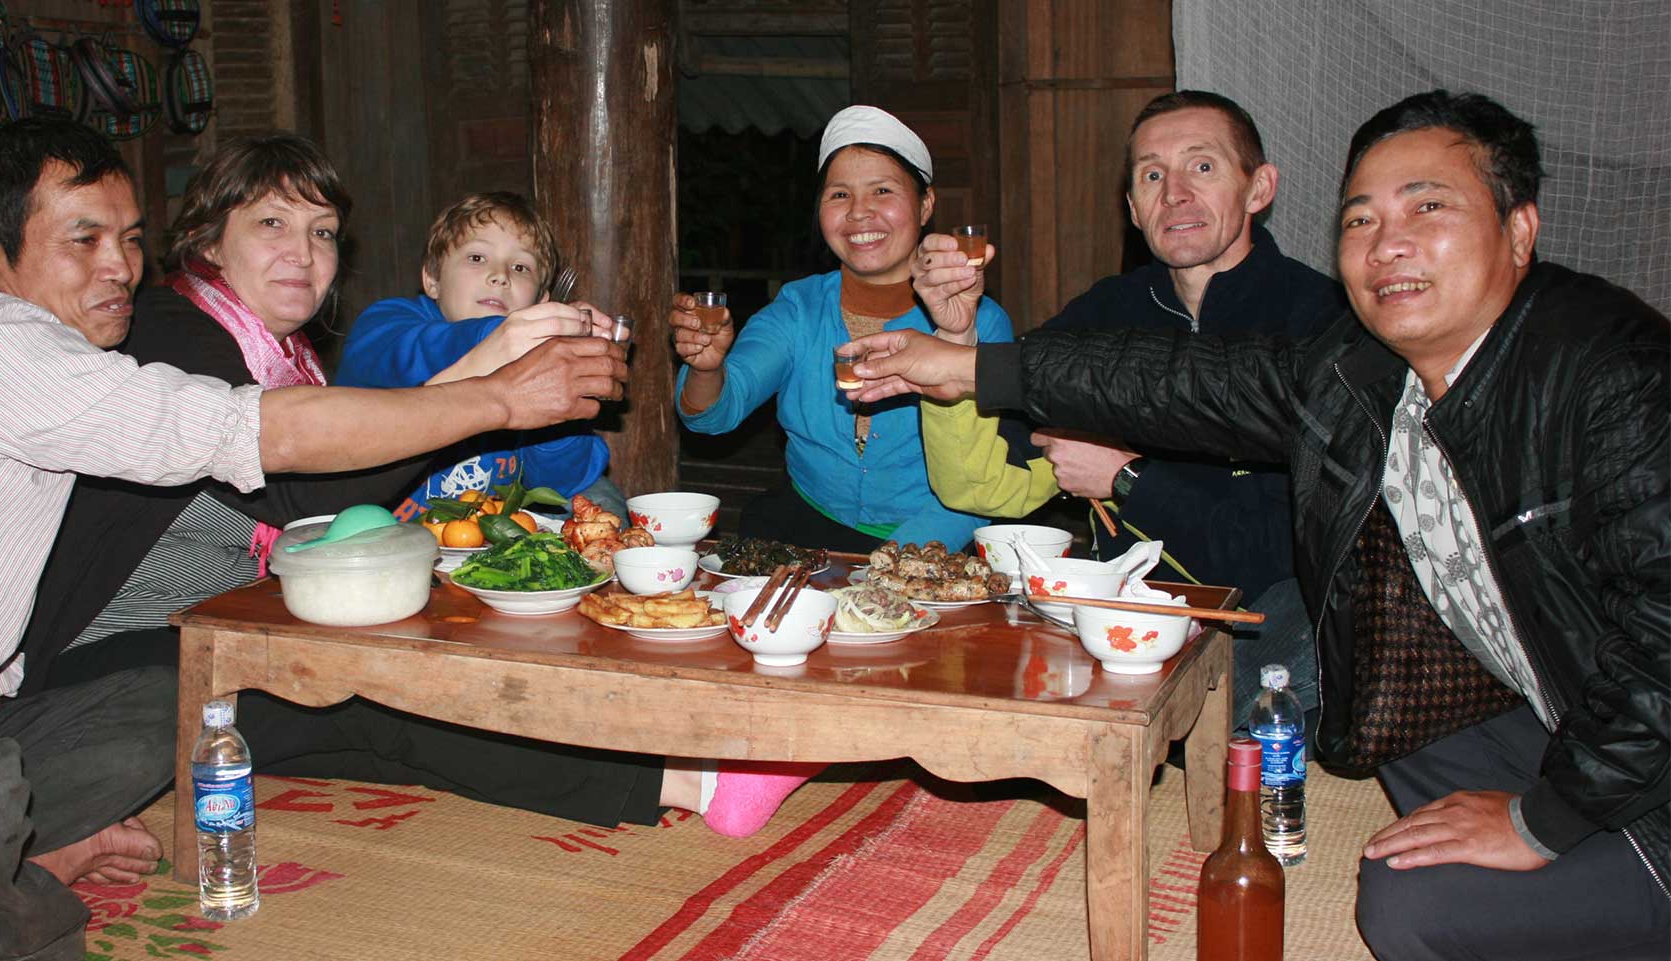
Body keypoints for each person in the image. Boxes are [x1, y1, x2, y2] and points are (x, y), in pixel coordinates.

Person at [0, 117, 627, 961]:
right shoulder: (2, 342)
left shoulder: (100, 364)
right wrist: (499, 394)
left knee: (182, 702)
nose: (118, 267)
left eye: (128, 238)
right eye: (83, 239)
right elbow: (271, 450)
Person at [845, 90, 1668, 959]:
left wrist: (1546, 819)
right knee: (1390, 728)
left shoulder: (1610, 372)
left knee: (1402, 900)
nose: (1388, 243)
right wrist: (965, 355)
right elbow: (1173, 383)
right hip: (1542, 688)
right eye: (1361, 218)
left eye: (1428, 207)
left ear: (1519, 231)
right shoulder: (1362, 365)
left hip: (1611, 724)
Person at [15, 134, 816, 844]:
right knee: (378, 693)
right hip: (112, 662)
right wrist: (495, 367)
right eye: (272, 224)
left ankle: (673, 761)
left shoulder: (288, 365)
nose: (303, 251)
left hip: (216, 627)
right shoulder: (168, 329)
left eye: (322, 232)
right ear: (209, 244)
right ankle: (699, 781)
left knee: (384, 721)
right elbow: (293, 499)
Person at [919, 90, 1342, 729]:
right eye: (1152, 175)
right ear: (1133, 209)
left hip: (1271, 608)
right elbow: (982, 485)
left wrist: (1127, 478)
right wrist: (957, 339)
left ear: (1259, 189)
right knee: (953, 679)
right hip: (1127, 605)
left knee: (1252, 703)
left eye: (1202, 167)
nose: (1174, 192)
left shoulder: (1318, 318)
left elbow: (1279, 552)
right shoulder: (1110, 312)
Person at [671, 104, 1013, 553]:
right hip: (806, 527)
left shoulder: (980, 322)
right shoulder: (798, 308)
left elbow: (983, 475)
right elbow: (714, 416)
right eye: (839, 195)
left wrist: (890, 566)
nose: (859, 213)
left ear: (925, 203)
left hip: (933, 542)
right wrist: (706, 368)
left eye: (883, 191)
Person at [336, 191, 626, 519]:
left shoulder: (537, 365)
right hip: (385, 534)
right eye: (477, 258)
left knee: (603, 499)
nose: (500, 275)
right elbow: (412, 356)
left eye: (520, 267)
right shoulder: (387, 322)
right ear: (432, 279)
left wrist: (563, 402)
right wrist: (501, 337)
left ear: (540, 302)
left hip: (484, 544)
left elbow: (560, 483)